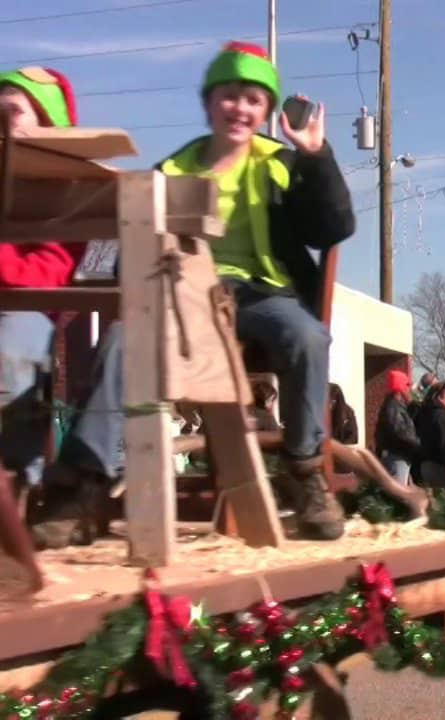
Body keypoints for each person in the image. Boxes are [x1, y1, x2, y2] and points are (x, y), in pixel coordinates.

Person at [28, 43, 355, 546]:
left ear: (267, 109)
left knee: (308, 337)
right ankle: (83, 485)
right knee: (123, 340)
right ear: (209, 104)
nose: (240, 108)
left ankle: (305, 469)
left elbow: (332, 227)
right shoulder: (172, 171)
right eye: (229, 96)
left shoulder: (282, 164)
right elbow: (129, 246)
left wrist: (317, 156)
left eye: (253, 99)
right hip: (184, 296)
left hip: (262, 294)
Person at [0, 67, 85, 490]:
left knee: (12, 346)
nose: (2, 122)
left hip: (27, 306)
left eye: (13, 112)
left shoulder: (71, 186)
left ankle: (16, 482)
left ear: (45, 121)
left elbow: (49, 270)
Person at [374, 370, 418, 485]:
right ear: (400, 387)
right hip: (396, 456)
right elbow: (401, 432)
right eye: (407, 385)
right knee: (398, 493)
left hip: (399, 455)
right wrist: (418, 443)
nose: (409, 390)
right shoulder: (393, 407)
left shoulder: (397, 406)